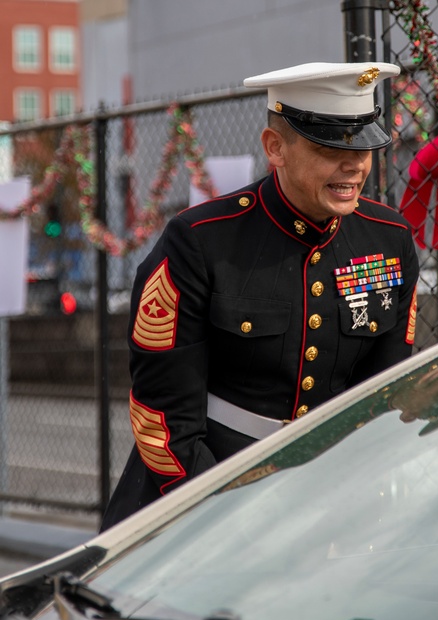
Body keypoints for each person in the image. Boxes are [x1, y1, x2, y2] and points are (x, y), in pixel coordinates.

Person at [101, 61, 420, 530]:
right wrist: (227, 516)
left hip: (329, 494)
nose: (354, 164)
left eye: (366, 147)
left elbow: (384, 395)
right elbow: (163, 415)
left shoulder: (388, 239)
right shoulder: (201, 241)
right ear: (276, 148)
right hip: (199, 494)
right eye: (329, 147)